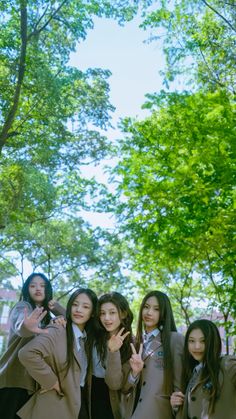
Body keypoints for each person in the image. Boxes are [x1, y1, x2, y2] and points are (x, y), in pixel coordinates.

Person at [17, 287, 97, 419]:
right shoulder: (58, 329)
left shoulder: (86, 338)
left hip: (80, 403)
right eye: (75, 305)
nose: (78, 310)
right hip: (54, 405)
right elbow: (27, 353)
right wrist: (51, 381)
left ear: (93, 312)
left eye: (86, 307)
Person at [0, 272, 63, 419]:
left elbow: (76, 325)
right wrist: (26, 325)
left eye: (42, 286)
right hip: (14, 381)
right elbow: (19, 324)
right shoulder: (23, 307)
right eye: (33, 285)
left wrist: (57, 309)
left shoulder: (49, 318)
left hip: (35, 384)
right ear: (27, 289)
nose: (38, 289)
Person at [124, 290, 184, 419]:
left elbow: (179, 387)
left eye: (156, 309)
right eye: (146, 307)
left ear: (163, 313)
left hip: (160, 413)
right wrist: (134, 374)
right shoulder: (135, 342)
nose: (149, 312)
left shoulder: (175, 340)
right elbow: (126, 388)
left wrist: (176, 409)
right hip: (133, 412)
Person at [170, 319, 236, 419]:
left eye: (203, 341)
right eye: (191, 341)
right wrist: (176, 406)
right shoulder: (194, 372)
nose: (197, 346)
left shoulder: (227, 364)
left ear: (214, 341)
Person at [91, 291, 134, 419]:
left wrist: (113, 352)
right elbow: (78, 317)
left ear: (124, 314)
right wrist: (56, 313)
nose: (107, 318)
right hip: (86, 398)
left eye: (112, 312)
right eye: (102, 313)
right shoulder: (93, 335)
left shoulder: (132, 343)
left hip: (110, 401)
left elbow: (115, 384)